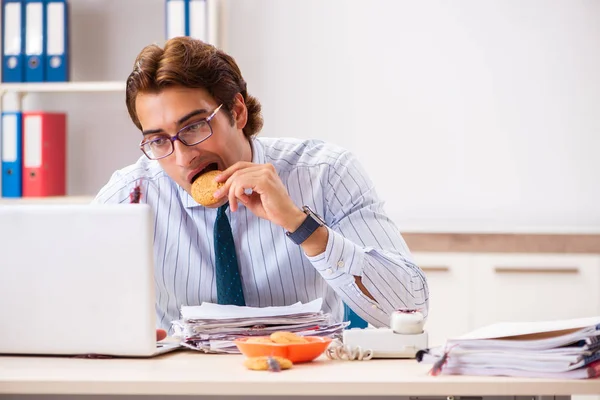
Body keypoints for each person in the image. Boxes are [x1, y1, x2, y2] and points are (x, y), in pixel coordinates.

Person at [93, 37, 429, 336]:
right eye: (159, 141)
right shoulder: (129, 198)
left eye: (194, 128)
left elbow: (409, 309)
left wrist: (301, 226)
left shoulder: (326, 173)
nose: (182, 158)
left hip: (304, 380)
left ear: (237, 112)